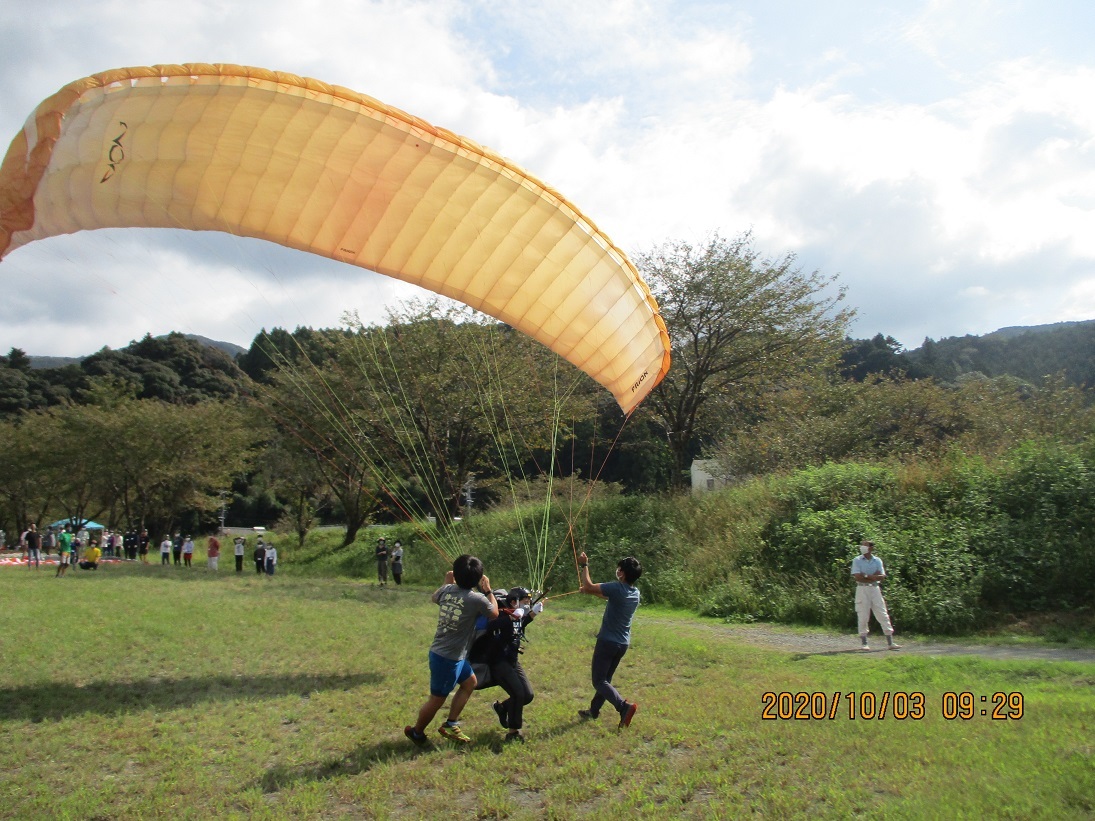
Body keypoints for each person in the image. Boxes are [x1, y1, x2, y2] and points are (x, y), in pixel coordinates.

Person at [405, 555, 498, 746]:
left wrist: (447, 583)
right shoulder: (477, 598)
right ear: (479, 578)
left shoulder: (447, 590)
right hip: (448, 658)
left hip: (453, 655)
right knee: (437, 699)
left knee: (470, 682)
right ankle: (417, 732)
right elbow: (494, 613)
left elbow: (435, 597)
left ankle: (451, 722)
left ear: (455, 574)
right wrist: (488, 590)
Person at [577, 551, 642, 729]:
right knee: (605, 679)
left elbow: (590, 586)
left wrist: (584, 565)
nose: (617, 571)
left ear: (621, 573)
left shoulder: (616, 588)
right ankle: (594, 710)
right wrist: (590, 592)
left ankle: (623, 707)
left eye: (619, 568)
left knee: (599, 681)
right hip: (622, 644)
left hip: (607, 642)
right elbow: (604, 595)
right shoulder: (634, 593)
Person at [471, 587, 543, 742]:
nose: (527, 605)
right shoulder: (502, 613)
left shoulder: (518, 615)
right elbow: (492, 626)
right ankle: (513, 733)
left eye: (528, 602)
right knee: (518, 693)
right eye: (524, 602)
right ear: (513, 602)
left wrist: (532, 614)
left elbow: (519, 626)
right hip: (498, 661)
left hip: (512, 660)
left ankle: (502, 708)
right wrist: (511, 618)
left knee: (528, 695)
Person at [851, 539, 900, 651]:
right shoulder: (857, 560)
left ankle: (890, 642)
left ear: (871, 548)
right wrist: (872, 577)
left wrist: (867, 576)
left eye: (865, 545)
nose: (862, 547)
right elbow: (857, 576)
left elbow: (882, 576)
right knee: (863, 614)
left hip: (875, 589)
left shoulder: (877, 560)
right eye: (862, 545)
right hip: (862, 589)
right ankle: (864, 643)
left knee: (882, 613)